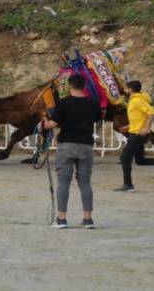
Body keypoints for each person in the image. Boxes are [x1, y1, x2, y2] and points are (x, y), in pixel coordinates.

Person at [42, 74, 101, 229]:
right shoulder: (93, 103)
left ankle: (62, 219)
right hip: (86, 145)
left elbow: (53, 123)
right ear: (84, 86)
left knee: (63, 181)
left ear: (69, 86)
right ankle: (88, 219)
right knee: (85, 182)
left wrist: (45, 122)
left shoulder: (63, 103)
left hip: (66, 145)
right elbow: (97, 118)